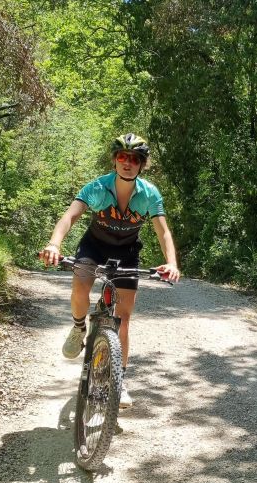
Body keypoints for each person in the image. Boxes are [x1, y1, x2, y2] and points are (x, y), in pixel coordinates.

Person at [39, 133, 180, 407]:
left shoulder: (150, 194)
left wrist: (171, 262)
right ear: (114, 160)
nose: (127, 163)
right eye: (122, 157)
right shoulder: (97, 187)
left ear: (142, 165)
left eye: (134, 159)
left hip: (127, 252)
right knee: (80, 286)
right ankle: (79, 328)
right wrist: (54, 244)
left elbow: (163, 232)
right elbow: (70, 215)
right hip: (93, 248)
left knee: (123, 320)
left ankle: (119, 381)